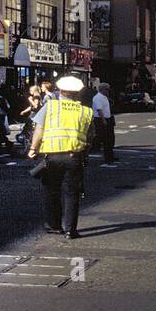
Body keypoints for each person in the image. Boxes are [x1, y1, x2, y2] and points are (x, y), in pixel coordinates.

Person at [27, 75, 95, 239]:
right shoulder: (86, 111)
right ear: (76, 93)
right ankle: (70, 230)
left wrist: (33, 148)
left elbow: (39, 129)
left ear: (61, 91)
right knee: (72, 193)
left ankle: (54, 225)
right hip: (74, 156)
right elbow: (91, 135)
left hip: (53, 156)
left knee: (52, 190)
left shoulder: (50, 107)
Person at [91, 83, 116, 163]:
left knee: (110, 138)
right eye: (107, 89)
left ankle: (110, 156)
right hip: (101, 119)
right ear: (103, 90)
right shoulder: (98, 98)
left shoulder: (105, 97)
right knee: (105, 139)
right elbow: (99, 110)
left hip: (107, 118)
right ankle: (108, 157)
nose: (108, 91)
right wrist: (104, 120)